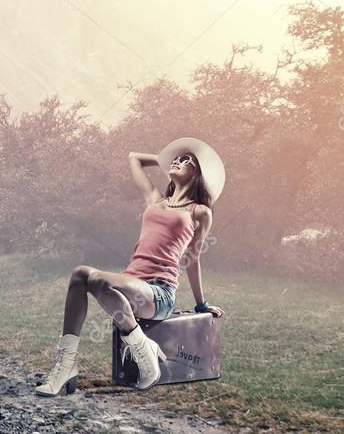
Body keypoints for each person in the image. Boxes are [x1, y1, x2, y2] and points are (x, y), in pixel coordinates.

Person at [34, 137, 227, 396]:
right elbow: (134, 157)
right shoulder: (155, 199)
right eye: (177, 158)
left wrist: (201, 305)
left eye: (186, 161)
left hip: (159, 292)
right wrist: (167, 159)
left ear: (196, 173)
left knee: (97, 280)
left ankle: (144, 353)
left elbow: (193, 259)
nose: (179, 161)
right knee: (80, 275)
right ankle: (66, 365)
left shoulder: (200, 212)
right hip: (131, 280)